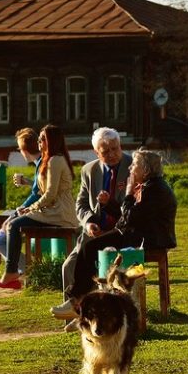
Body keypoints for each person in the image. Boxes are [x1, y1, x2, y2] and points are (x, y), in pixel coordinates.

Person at [51, 148, 177, 319]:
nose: (130, 168)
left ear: (146, 170)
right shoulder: (150, 186)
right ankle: (81, 303)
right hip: (138, 234)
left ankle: (78, 302)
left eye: (135, 165)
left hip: (148, 240)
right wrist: (110, 203)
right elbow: (128, 217)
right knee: (91, 247)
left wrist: (128, 193)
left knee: (90, 248)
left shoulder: (154, 190)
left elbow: (131, 217)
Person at [0, 124, 78, 289]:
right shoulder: (49, 160)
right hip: (51, 210)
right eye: (39, 139)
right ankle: (14, 271)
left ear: (50, 141)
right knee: (14, 224)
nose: (38, 142)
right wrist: (28, 203)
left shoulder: (56, 160)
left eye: (42, 139)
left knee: (13, 225)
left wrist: (31, 208)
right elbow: (41, 190)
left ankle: (12, 271)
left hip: (60, 213)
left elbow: (50, 194)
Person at [61, 127, 132, 299]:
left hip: (121, 231)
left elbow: (134, 208)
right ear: (96, 152)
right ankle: (75, 314)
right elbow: (81, 204)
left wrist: (110, 203)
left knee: (106, 270)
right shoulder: (89, 170)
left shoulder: (133, 166)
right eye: (105, 151)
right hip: (94, 231)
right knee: (68, 267)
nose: (112, 154)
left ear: (120, 145)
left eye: (115, 149)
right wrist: (88, 222)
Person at [0, 128, 43, 273]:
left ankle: (25, 270)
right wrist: (28, 181)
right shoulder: (43, 162)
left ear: (24, 151)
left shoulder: (42, 164)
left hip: (42, 213)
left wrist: (16, 213)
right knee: (3, 233)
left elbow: (38, 194)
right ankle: (23, 269)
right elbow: (41, 189)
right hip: (42, 211)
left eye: (20, 149)